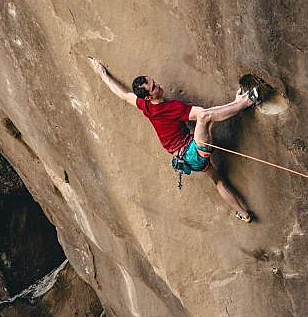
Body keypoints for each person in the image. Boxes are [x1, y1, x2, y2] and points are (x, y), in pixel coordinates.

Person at [88, 58, 259, 222]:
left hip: (188, 157)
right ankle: (247, 100)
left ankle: (243, 214)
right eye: (154, 87)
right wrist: (236, 103)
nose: (158, 85)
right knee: (204, 116)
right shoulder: (171, 108)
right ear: (148, 97)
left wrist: (103, 74)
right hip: (192, 153)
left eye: (154, 81)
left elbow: (123, 95)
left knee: (218, 180)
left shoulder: (144, 105)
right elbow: (202, 113)